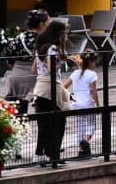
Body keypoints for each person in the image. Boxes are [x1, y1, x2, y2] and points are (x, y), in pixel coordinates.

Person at [31, 20, 69, 168]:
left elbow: (34, 69)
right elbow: (51, 69)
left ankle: (41, 155)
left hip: (40, 88)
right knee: (59, 121)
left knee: (44, 123)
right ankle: (53, 155)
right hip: (51, 88)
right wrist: (59, 62)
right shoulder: (52, 48)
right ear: (59, 34)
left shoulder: (40, 47)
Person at [64, 52, 99, 157]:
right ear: (91, 62)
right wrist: (98, 104)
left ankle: (81, 148)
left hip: (76, 105)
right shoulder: (92, 74)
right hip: (88, 104)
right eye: (94, 62)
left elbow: (64, 87)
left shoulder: (75, 73)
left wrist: (71, 97)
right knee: (92, 124)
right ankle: (85, 141)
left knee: (80, 126)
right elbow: (94, 91)